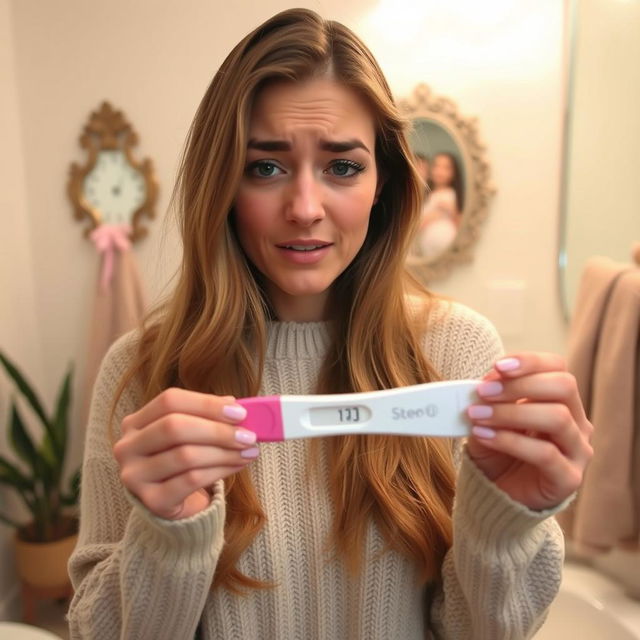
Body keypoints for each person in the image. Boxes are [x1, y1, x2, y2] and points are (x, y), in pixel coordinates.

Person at [67, 8, 593, 640]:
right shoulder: (138, 372)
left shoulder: (459, 350)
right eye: (266, 166)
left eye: (342, 166)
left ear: (383, 184)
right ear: (223, 184)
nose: (305, 209)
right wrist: (166, 540)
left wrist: (506, 522)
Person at [418, 152, 464, 261]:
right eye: (436, 166)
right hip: (428, 249)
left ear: (454, 173)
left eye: (446, 168)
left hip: (445, 244)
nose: (440, 171)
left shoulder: (450, 196)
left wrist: (452, 211)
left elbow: (461, 224)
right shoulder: (428, 195)